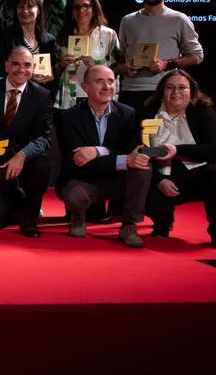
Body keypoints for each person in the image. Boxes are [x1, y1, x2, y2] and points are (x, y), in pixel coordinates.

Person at [55, 64, 150, 248]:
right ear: (85, 87)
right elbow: (77, 161)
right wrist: (120, 158)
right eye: (99, 81)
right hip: (81, 179)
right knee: (76, 196)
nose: (107, 87)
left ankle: (129, 226)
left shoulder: (127, 114)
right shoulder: (69, 117)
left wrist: (98, 150)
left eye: (110, 81)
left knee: (142, 166)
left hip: (115, 179)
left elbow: (130, 152)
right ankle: (77, 219)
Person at [143, 70, 216, 249]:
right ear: (161, 91)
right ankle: (162, 223)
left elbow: (214, 149)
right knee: (144, 185)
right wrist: (159, 179)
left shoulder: (203, 112)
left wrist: (176, 150)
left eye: (182, 88)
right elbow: (140, 151)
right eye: (170, 87)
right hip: (163, 171)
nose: (175, 92)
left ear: (192, 92)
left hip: (199, 170)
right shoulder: (147, 113)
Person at [0, 46, 53, 236]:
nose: (21, 69)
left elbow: (43, 137)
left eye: (27, 65)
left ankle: (30, 219)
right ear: (6, 66)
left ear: (33, 68)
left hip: (24, 159)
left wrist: (22, 155)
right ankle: (15, 199)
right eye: (15, 64)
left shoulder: (42, 95)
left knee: (42, 164)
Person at [117, 0, 204, 114]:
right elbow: (119, 57)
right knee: (132, 137)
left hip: (163, 92)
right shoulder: (128, 21)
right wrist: (122, 68)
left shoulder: (179, 19)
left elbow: (197, 56)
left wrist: (167, 64)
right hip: (130, 93)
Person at [56, 0, 120, 111]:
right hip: (69, 96)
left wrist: (96, 65)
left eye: (86, 6)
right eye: (77, 7)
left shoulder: (108, 34)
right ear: (71, 11)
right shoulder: (62, 36)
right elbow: (53, 69)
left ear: (94, 9)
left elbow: (117, 67)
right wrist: (61, 65)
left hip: (97, 96)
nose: (81, 10)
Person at [0, 0, 56, 88]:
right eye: (20, 7)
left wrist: (52, 75)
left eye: (30, 7)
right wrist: (27, 75)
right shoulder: (6, 36)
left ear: (39, 10)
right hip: (13, 92)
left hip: (42, 94)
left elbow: (54, 68)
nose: (25, 11)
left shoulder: (49, 40)